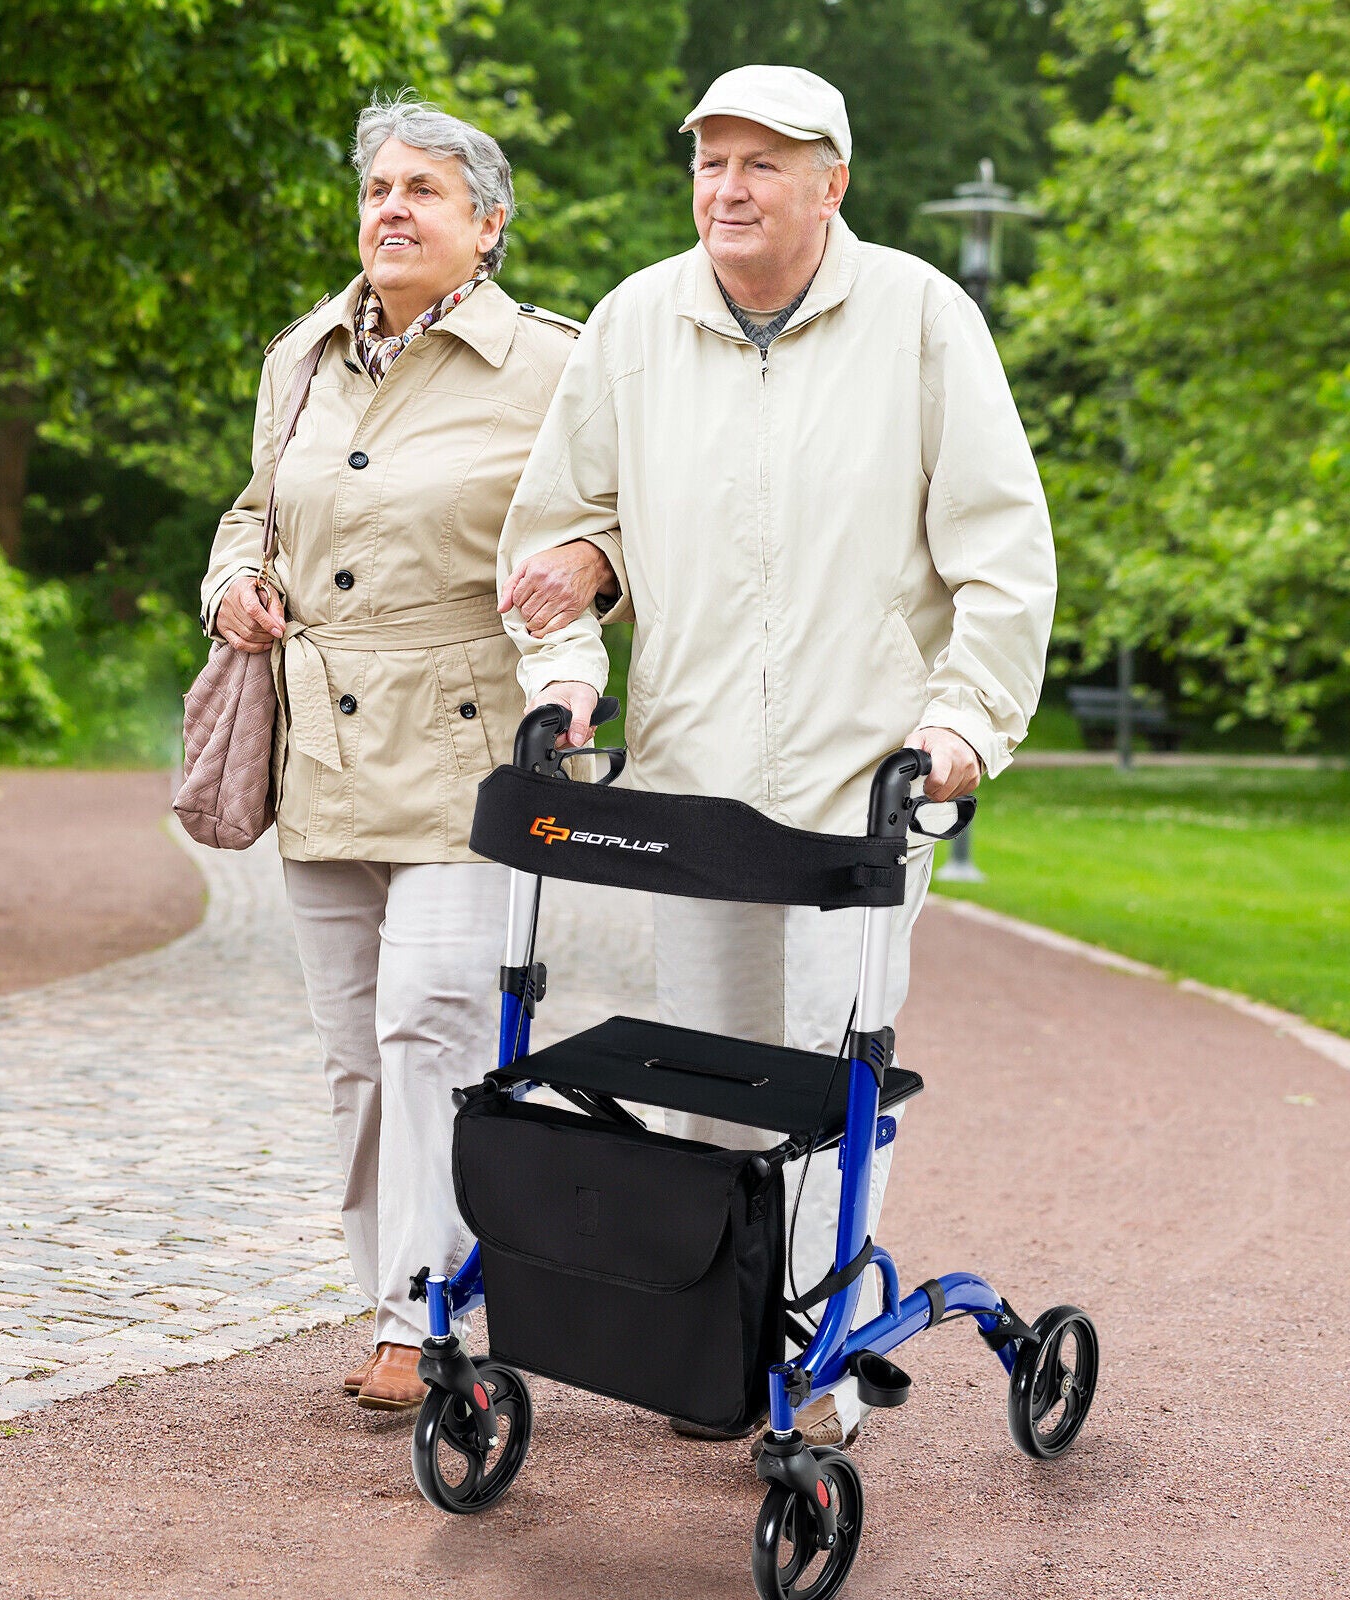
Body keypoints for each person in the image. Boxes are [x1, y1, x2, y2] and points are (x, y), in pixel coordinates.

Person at [498, 65, 1056, 1446]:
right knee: (701, 1073)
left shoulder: (924, 319)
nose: (728, 190)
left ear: (832, 183)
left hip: (862, 782)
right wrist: (573, 646)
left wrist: (964, 725)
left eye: (762, 164)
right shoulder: (636, 322)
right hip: (693, 779)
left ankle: (810, 1357)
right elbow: (568, 533)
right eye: (710, 163)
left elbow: (1003, 556)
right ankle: (722, 1329)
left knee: (823, 1069)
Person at [201, 95, 589, 1412]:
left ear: (487, 227)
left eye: (424, 189)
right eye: (376, 190)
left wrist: (585, 615)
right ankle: (393, 1298)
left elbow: (610, 538)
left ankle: (428, 1314)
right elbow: (256, 511)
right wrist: (233, 584)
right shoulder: (300, 355)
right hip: (320, 755)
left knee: (431, 1021)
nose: (391, 210)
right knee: (354, 1059)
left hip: (473, 756)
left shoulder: (556, 367)